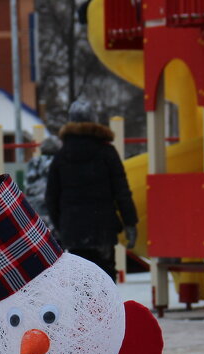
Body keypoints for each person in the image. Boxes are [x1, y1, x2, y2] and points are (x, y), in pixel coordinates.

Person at [44, 99, 138, 282]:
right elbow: (122, 191)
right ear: (94, 121)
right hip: (103, 228)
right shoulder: (107, 153)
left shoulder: (61, 156)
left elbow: (51, 197)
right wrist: (130, 223)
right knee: (105, 279)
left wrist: (62, 225)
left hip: (73, 230)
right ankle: (107, 310)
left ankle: (84, 310)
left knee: (81, 280)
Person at [23, 135, 60, 228]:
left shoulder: (34, 162)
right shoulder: (59, 162)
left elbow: (28, 185)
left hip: (35, 207)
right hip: (53, 207)